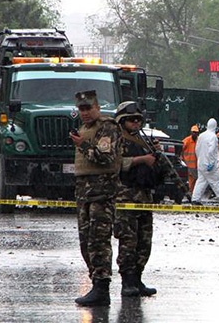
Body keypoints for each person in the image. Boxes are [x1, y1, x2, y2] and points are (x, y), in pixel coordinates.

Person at [70, 90, 123, 307]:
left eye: (88, 108)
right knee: (86, 241)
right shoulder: (85, 129)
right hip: (84, 192)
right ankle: (95, 282)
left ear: (97, 108)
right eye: (81, 109)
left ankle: (102, 287)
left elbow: (105, 157)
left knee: (99, 241)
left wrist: (82, 144)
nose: (85, 113)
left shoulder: (107, 127)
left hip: (102, 192)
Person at [114, 101, 159, 297]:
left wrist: (154, 153)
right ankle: (127, 281)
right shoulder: (117, 139)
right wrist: (141, 160)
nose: (136, 124)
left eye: (138, 120)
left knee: (144, 241)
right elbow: (115, 163)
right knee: (128, 240)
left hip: (144, 197)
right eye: (131, 120)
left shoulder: (143, 140)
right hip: (125, 196)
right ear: (122, 121)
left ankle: (138, 278)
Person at [190, 118, 219, 206]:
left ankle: (195, 199)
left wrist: (200, 160)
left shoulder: (201, 136)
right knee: (216, 181)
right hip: (209, 164)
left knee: (201, 181)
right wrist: (211, 163)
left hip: (201, 163)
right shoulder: (213, 137)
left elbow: (197, 149)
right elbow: (211, 150)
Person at [181, 125, 199, 194]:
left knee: (195, 180)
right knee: (191, 180)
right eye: (193, 132)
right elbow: (180, 149)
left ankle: (192, 192)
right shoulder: (187, 141)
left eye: (196, 132)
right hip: (188, 164)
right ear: (191, 132)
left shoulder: (199, 140)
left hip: (196, 165)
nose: (195, 133)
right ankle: (190, 192)